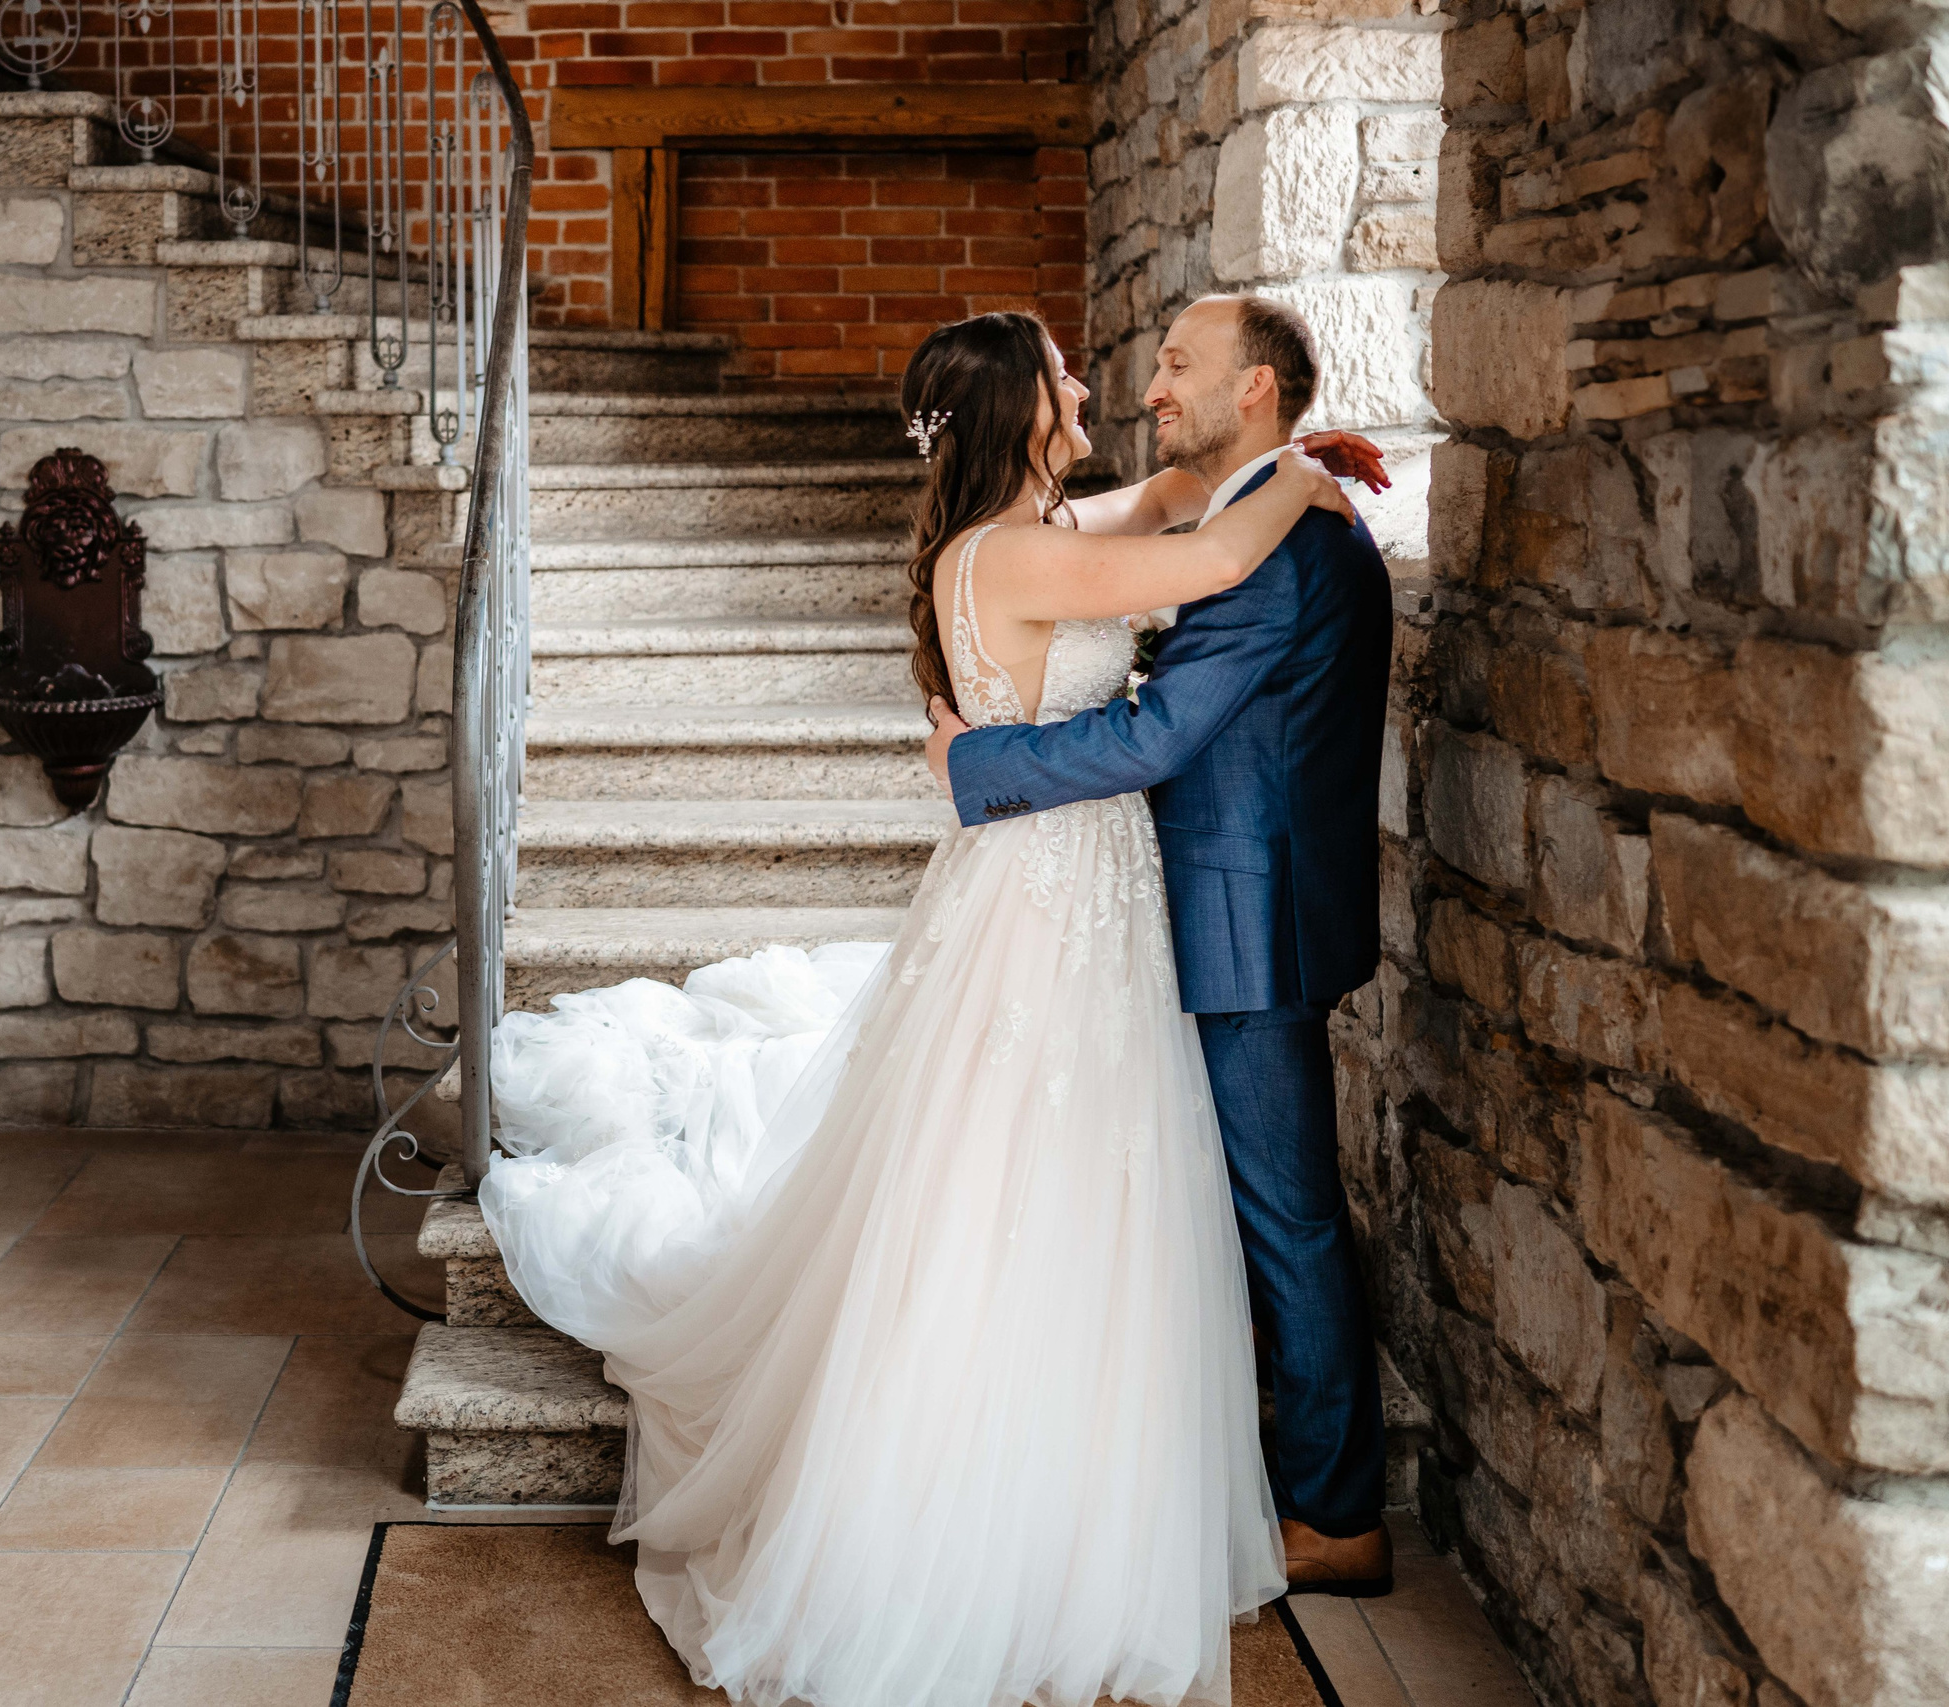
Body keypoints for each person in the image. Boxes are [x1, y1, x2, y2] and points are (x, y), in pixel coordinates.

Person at [478, 307, 1376, 1707]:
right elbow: (1198, 560)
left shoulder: (1040, 534)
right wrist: (1304, 482)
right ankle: (987, 1504)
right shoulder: (1017, 552)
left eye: (1135, 370)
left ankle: (1081, 1472)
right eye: (1069, 379)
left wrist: (1286, 455)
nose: (1100, 387)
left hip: (1067, 885)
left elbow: (1173, 504)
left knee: (1053, 1172)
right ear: (1023, 411)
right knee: (1020, 1180)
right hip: (1051, 889)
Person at [928, 293, 1397, 1595]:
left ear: (1256, 388)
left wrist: (977, 764)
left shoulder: (1281, 546)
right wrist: (1294, 471)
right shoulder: (1247, 517)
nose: (1138, 389)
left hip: (1246, 923)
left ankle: (1338, 1513)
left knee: (1284, 1217)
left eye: (1179, 365)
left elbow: (1152, 737)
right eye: (1080, 380)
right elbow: (1166, 525)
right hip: (1188, 905)